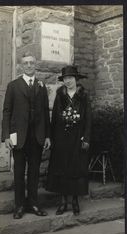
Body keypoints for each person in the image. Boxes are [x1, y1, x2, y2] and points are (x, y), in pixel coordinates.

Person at [1, 51, 51, 219]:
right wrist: (6, 136)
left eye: (31, 62)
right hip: (19, 137)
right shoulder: (13, 86)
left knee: (34, 173)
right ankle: (19, 206)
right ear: (22, 65)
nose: (29, 65)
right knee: (19, 172)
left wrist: (48, 136)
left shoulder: (41, 86)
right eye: (26, 63)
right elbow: (7, 111)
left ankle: (34, 204)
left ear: (35, 65)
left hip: (36, 137)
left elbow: (45, 113)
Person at [46, 65, 91, 215]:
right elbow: (54, 119)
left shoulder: (83, 96)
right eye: (65, 79)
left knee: (76, 169)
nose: (68, 81)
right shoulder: (60, 95)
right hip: (61, 139)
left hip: (78, 138)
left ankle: (75, 202)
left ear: (76, 79)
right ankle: (63, 202)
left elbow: (89, 119)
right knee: (62, 169)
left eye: (70, 78)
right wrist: (52, 138)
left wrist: (87, 138)